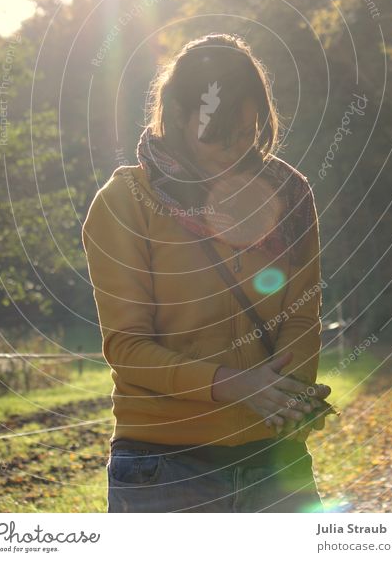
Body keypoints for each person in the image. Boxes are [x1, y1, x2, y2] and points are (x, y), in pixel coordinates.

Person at [81, 32, 332, 513]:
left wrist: (288, 395)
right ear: (175, 115)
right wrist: (238, 386)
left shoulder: (290, 196)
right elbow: (128, 348)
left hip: (275, 461)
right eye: (218, 135)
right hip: (165, 468)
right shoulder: (125, 204)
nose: (237, 149)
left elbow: (302, 315)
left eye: (247, 132)